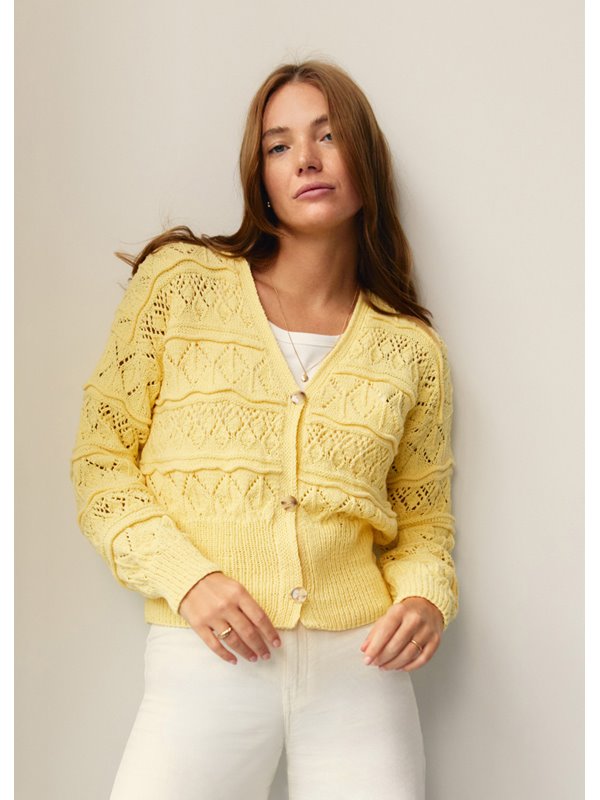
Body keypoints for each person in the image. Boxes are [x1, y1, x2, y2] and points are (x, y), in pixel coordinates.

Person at [70, 59, 458, 800]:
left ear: (365, 158)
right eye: (279, 145)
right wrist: (189, 579)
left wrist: (423, 599)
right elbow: (101, 461)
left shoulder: (411, 350)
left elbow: (424, 524)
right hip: (208, 657)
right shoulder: (181, 285)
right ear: (261, 174)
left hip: (363, 673)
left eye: (327, 136)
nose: (305, 159)